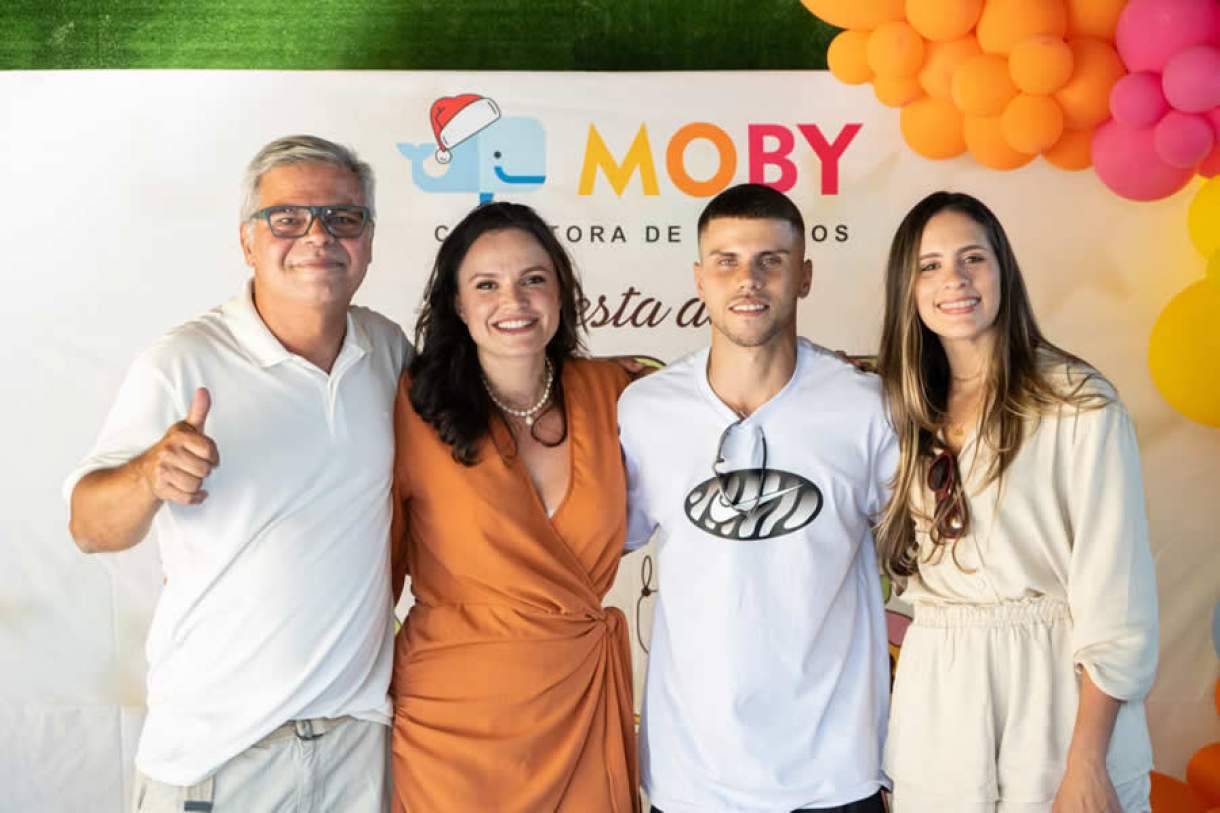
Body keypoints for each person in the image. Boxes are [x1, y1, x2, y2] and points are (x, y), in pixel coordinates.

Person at [64, 135, 408, 812]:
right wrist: (148, 475)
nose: (318, 236)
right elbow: (87, 527)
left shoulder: (387, 351)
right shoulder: (183, 361)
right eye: (288, 218)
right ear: (247, 241)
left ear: (368, 240)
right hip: (218, 759)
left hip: (357, 753)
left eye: (343, 217)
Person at [874, 191, 1158, 813]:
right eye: (930, 266)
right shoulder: (899, 411)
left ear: (1003, 270)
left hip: (1054, 691)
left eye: (972, 258)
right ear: (908, 289)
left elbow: (1117, 595)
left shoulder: (1076, 403)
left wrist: (1087, 760)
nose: (954, 279)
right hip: (939, 693)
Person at [618, 183, 897, 813]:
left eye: (771, 260)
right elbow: (594, 545)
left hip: (835, 772)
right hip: (692, 777)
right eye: (727, 261)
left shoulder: (866, 407)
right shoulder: (645, 409)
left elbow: (926, 551)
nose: (748, 279)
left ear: (805, 276)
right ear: (699, 278)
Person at [388, 201, 639, 812]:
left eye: (533, 279)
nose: (514, 301)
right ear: (457, 303)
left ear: (561, 292)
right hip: (451, 728)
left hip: (581, 707)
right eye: (487, 285)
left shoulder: (615, 392)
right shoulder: (409, 405)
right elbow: (368, 574)